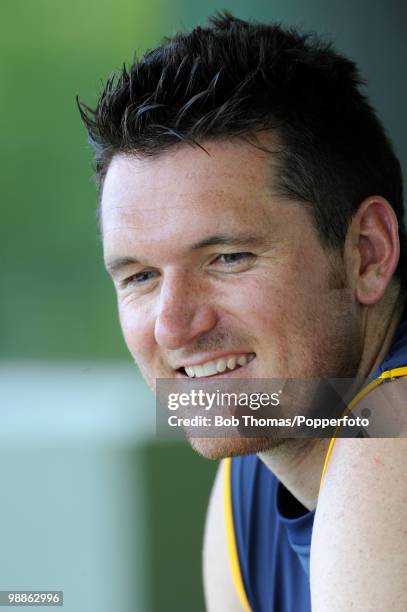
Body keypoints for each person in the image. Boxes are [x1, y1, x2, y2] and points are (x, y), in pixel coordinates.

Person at [78, 11, 407, 611]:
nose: (174, 325)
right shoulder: (258, 464)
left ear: (367, 252)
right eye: (142, 276)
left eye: (227, 258)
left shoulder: (391, 440)